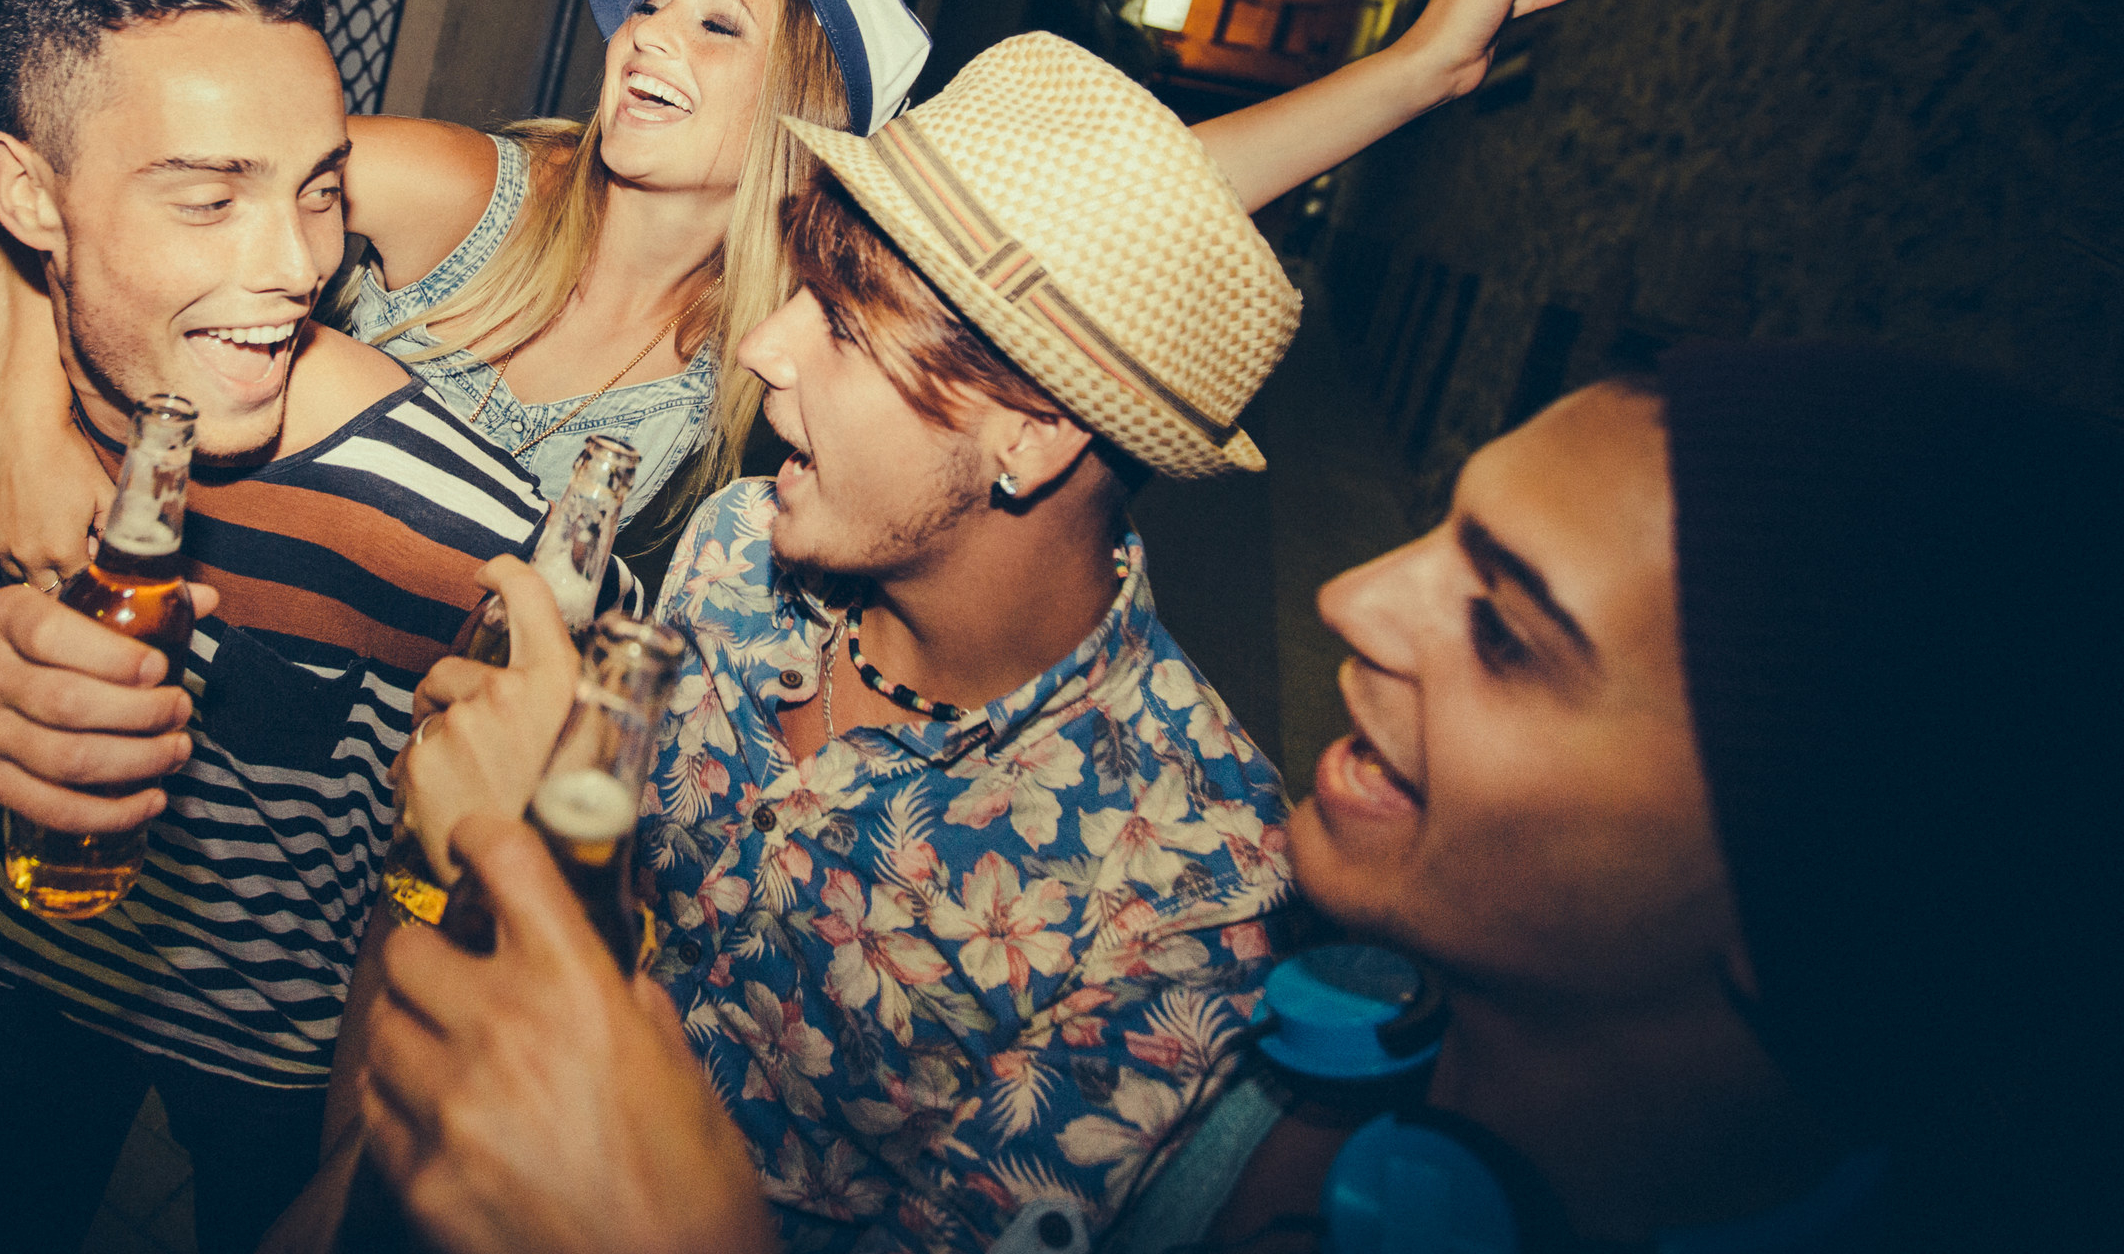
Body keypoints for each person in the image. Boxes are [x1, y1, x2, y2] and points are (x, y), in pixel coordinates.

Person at [351, 346, 2111, 1252]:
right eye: (1442, 529)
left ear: (1804, 904)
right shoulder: (1304, 1070)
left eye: (1506, 630)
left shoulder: (1188, 895)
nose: (1353, 597)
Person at [336, 31, 1337, 1251]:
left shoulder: (1193, 886)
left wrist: (508, 848)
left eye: (847, 326)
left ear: (1031, 434)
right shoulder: (733, 547)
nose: (763, 347)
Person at [0, 0, 1620, 576]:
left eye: (718, 29)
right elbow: (91, 218)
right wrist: (28, 420)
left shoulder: (777, 363)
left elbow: (1134, 206)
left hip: (394, 888)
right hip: (152, 721)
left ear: (808, 112)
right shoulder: (455, 193)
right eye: (651, 6)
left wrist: (1417, 72)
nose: (649, 42)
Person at [0, 0, 556, 1254]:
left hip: (288, 1056)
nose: (299, 266)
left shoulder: (454, 521)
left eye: (319, 188)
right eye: (210, 196)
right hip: (22, 970)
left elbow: (486, 893)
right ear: (29, 200)